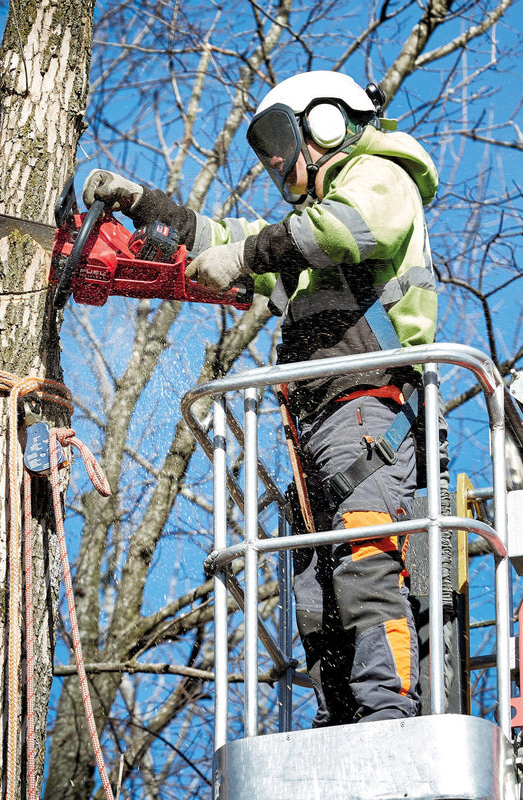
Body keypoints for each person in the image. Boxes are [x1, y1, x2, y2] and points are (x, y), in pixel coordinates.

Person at [82, 70, 439, 726]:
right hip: (313, 425)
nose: (277, 161)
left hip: (365, 403)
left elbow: (340, 229)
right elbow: (223, 240)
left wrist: (248, 253)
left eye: (281, 140)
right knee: (312, 592)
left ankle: (386, 718)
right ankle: (340, 722)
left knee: (365, 559)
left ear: (324, 123)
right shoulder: (305, 237)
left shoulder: (379, 178)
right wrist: (143, 206)